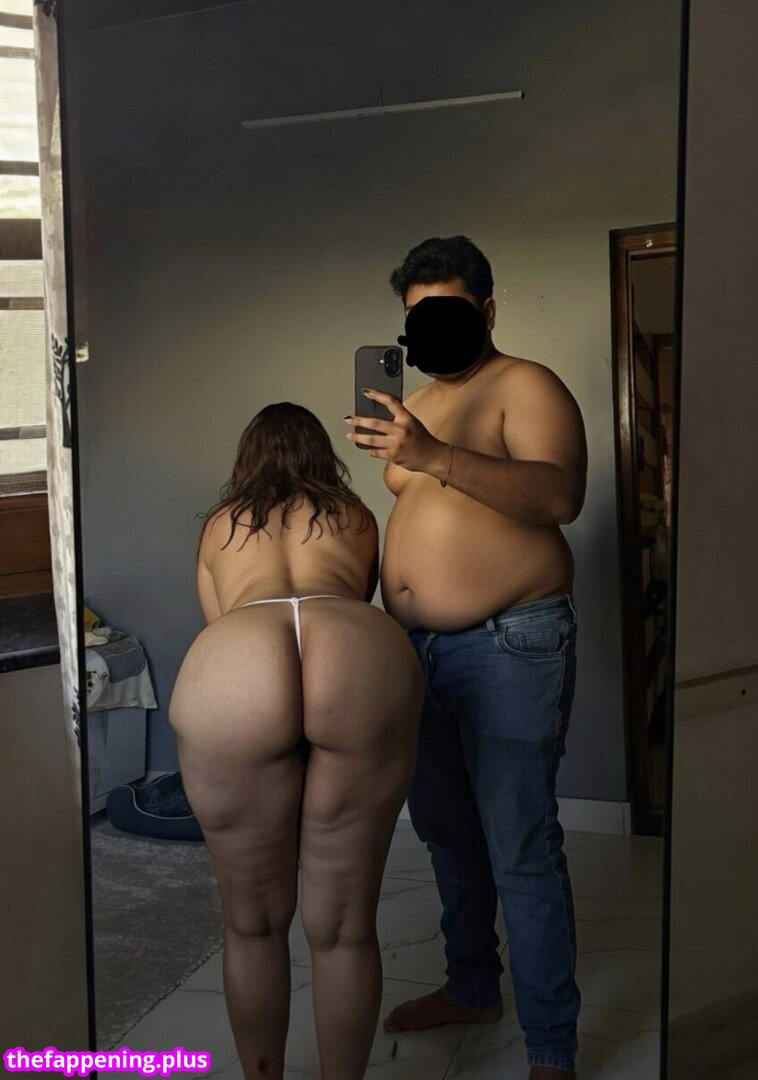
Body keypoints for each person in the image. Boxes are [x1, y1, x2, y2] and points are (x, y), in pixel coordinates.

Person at [345, 236, 588, 1080]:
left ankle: (552, 1048)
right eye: (417, 317)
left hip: (509, 643)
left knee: (520, 843)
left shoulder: (526, 384)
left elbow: (561, 494)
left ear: (485, 311)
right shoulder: (416, 402)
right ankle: (472, 987)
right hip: (416, 654)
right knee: (448, 835)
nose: (430, 329)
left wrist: (434, 457)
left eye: (446, 312)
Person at [169, 402, 423, 1080]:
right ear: (321, 454)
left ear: (247, 457)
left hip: (242, 655)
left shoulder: (219, 525)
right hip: (352, 651)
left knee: (251, 923)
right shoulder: (356, 516)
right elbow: (358, 594)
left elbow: (220, 619)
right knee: (344, 927)